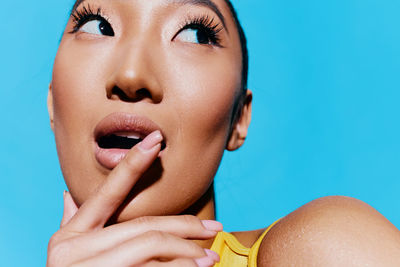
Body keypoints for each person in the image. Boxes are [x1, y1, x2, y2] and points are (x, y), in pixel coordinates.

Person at [46, 0, 400, 266]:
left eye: (195, 34)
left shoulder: (325, 247)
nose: (132, 76)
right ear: (51, 103)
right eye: (98, 25)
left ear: (238, 119)